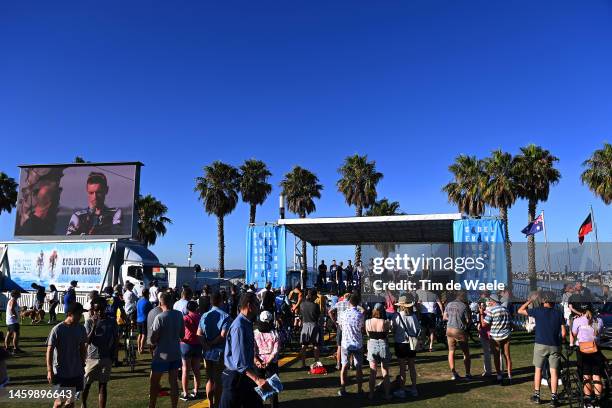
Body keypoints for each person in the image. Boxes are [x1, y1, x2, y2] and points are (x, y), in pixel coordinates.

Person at [220, 292, 269, 408]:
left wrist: (254, 359)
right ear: (249, 305)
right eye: (257, 304)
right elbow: (239, 362)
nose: (259, 307)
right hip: (235, 378)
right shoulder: (239, 326)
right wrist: (257, 379)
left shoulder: (246, 323)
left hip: (245, 376)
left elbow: (243, 351)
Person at [518, 292, 566, 407]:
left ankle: (537, 395)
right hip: (554, 345)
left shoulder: (538, 311)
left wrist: (530, 300)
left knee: (538, 370)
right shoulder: (559, 313)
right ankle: (554, 397)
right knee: (554, 372)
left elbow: (520, 310)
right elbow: (564, 334)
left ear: (544, 301)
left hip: (540, 344)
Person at [46, 302, 87, 408]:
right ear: (69, 313)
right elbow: (49, 350)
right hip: (61, 372)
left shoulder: (81, 328)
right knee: (59, 401)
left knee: (71, 401)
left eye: (81, 314)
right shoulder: (58, 329)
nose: (80, 316)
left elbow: (82, 348)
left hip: (76, 370)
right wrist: (50, 370)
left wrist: (83, 364)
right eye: (78, 314)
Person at [149, 291, 185, 408]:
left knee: (154, 383)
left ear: (160, 302)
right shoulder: (179, 315)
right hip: (175, 353)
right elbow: (182, 335)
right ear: (171, 302)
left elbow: (153, 339)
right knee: (173, 382)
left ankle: (152, 406)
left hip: (162, 354)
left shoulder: (160, 317)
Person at [82, 298, 118, 408]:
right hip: (91, 358)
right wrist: (94, 326)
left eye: (101, 309)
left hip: (106, 357)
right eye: (97, 310)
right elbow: (87, 341)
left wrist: (113, 356)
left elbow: (115, 339)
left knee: (103, 385)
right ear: (93, 310)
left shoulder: (111, 321)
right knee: (86, 385)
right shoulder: (89, 322)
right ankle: (83, 405)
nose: (99, 312)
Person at [198, 291, 231, 408]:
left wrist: (206, 345)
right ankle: (216, 404)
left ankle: (210, 404)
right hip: (219, 351)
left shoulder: (204, 315)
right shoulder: (225, 316)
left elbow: (199, 334)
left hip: (207, 351)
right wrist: (212, 343)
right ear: (221, 301)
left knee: (209, 379)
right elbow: (223, 335)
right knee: (218, 380)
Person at [572, 305, 605, 407]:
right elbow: (598, 334)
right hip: (595, 349)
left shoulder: (577, 321)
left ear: (581, 310)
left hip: (583, 350)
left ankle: (588, 400)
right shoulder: (598, 320)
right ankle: (598, 401)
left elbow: (574, 334)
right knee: (596, 375)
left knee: (586, 375)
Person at [392, 295, 420, 398]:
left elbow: (393, 329)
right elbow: (417, 329)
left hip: (400, 343)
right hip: (412, 343)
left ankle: (402, 390)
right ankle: (414, 388)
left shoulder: (397, 316)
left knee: (402, 368)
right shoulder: (414, 316)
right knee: (412, 366)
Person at [337, 293, 364, 397]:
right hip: (357, 343)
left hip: (346, 343)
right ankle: (359, 390)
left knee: (344, 366)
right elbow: (361, 327)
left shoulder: (343, 314)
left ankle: (343, 388)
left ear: (349, 302)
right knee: (358, 367)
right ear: (358, 303)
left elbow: (341, 326)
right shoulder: (360, 315)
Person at [483, 294, 512, 385]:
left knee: (496, 357)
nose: (489, 302)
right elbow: (510, 322)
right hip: (506, 335)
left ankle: (499, 376)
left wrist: (480, 313)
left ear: (493, 301)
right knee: (507, 356)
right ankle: (509, 376)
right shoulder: (505, 309)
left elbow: (485, 324)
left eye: (490, 301)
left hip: (495, 337)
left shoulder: (492, 310)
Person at [365, 303, 391, 400]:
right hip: (383, 345)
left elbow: (368, 334)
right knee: (385, 371)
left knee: (373, 372)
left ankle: (371, 394)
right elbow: (387, 333)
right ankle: (387, 394)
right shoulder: (385, 322)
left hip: (372, 345)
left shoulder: (367, 322)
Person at [254, 311, 280, 408]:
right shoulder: (274, 333)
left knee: (258, 386)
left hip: (258, 363)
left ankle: (258, 405)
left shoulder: (255, 333)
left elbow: (251, 350)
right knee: (273, 386)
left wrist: (257, 361)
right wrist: (268, 361)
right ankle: (274, 405)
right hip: (271, 362)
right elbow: (275, 350)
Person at [443, 291, 472, 380]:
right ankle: (467, 374)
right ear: (463, 296)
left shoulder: (449, 304)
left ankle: (454, 373)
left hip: (449, 330)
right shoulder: (464, 306)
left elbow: (444, 317)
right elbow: (468, 321)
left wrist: (452, 318)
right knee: (465, 353)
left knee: (451, 351)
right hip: (459, 330)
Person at [180, 300, 202, 401]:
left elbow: (180, 328)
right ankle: (196, 390)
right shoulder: (200, 317)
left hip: (186, 344)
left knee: (185, 369)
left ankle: (185, 393)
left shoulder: (185, 318)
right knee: (196, 370)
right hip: (197, 344)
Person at [415, 287, 444, 352]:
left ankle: (422, 346)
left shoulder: (422, 295)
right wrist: (442, 312)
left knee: (423, 331)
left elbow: (418, 304)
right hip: (432, 314)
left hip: (423, 314)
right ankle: (430, 347)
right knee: (431, 331)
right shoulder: (434, 295)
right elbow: (440, 305)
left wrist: (419, 312)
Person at [328, 292, 351, 370]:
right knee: (350, 344)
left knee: (339, 346)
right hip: (348, 326)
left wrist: (335, 321)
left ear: (343, 297)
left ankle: (338, 364)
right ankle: (350, 364)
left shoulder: (339, 303)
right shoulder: (351, 304)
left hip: (340, 326)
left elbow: (329, 311)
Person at [299, 289, 321, 368]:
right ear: (314, 296)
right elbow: (318, 316)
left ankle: (303, 364)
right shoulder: (315, 305)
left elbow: (301, 315)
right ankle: (316, 363)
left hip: (305, 325)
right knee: (316, 345)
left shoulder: (302, 304)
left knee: (304, 346)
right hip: (314, 325)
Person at [477, 299, 492, 377]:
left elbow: (483, 324)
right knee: (487, 353)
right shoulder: (481, 313)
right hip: (484, 334)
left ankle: (498, 371)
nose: (480, 306)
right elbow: (481, 324)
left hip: (490, 334)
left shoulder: (487, 312)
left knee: (497, 353)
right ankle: (488, 371)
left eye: (482, 305)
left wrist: (482, 314)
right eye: (480, 305)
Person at [137, 288, 153, 354]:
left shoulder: (139, 301)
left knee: (140, 334)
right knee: (144, 335)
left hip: (138, 319)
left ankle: (138, 348)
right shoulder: (147, 302)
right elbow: (151, 311)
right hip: (144, 320)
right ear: (147, 294)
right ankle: (141, 349)